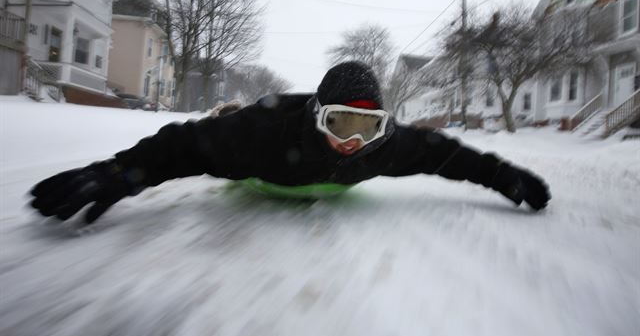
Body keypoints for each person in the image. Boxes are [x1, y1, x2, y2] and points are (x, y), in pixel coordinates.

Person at [29, 61, 550, 224]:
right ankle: (228, 104)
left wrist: (502, 174)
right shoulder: (261, 137)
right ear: (318, 117)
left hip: (306, 171)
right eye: (341, 124)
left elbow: (449, 155)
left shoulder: (385, 146)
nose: (353, 142)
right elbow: (185, 145)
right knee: (226, 124)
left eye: (366, 128)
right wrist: (121, 173)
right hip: (264, 168)